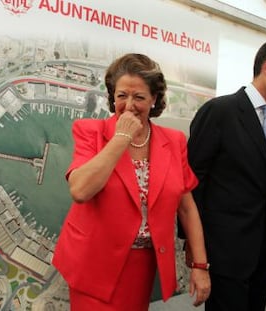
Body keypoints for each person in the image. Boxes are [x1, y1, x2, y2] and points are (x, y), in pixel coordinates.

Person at [52, 53, 210, 311]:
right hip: (93, 262)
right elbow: (80, 190)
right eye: (122, 95)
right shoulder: (90, 131)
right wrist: (121, 138)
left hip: (141, 264)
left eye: (139, 97)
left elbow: (187, 208)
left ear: (154, 100)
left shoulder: (174, 141)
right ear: (113, 97)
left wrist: (200, 265)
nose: (129, 105)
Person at [183, 36, 266, 311]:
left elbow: (249, 171)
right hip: (224, 253)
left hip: (262, 253)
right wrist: (196, 252)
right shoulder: (219, 111)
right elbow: (192, 183)